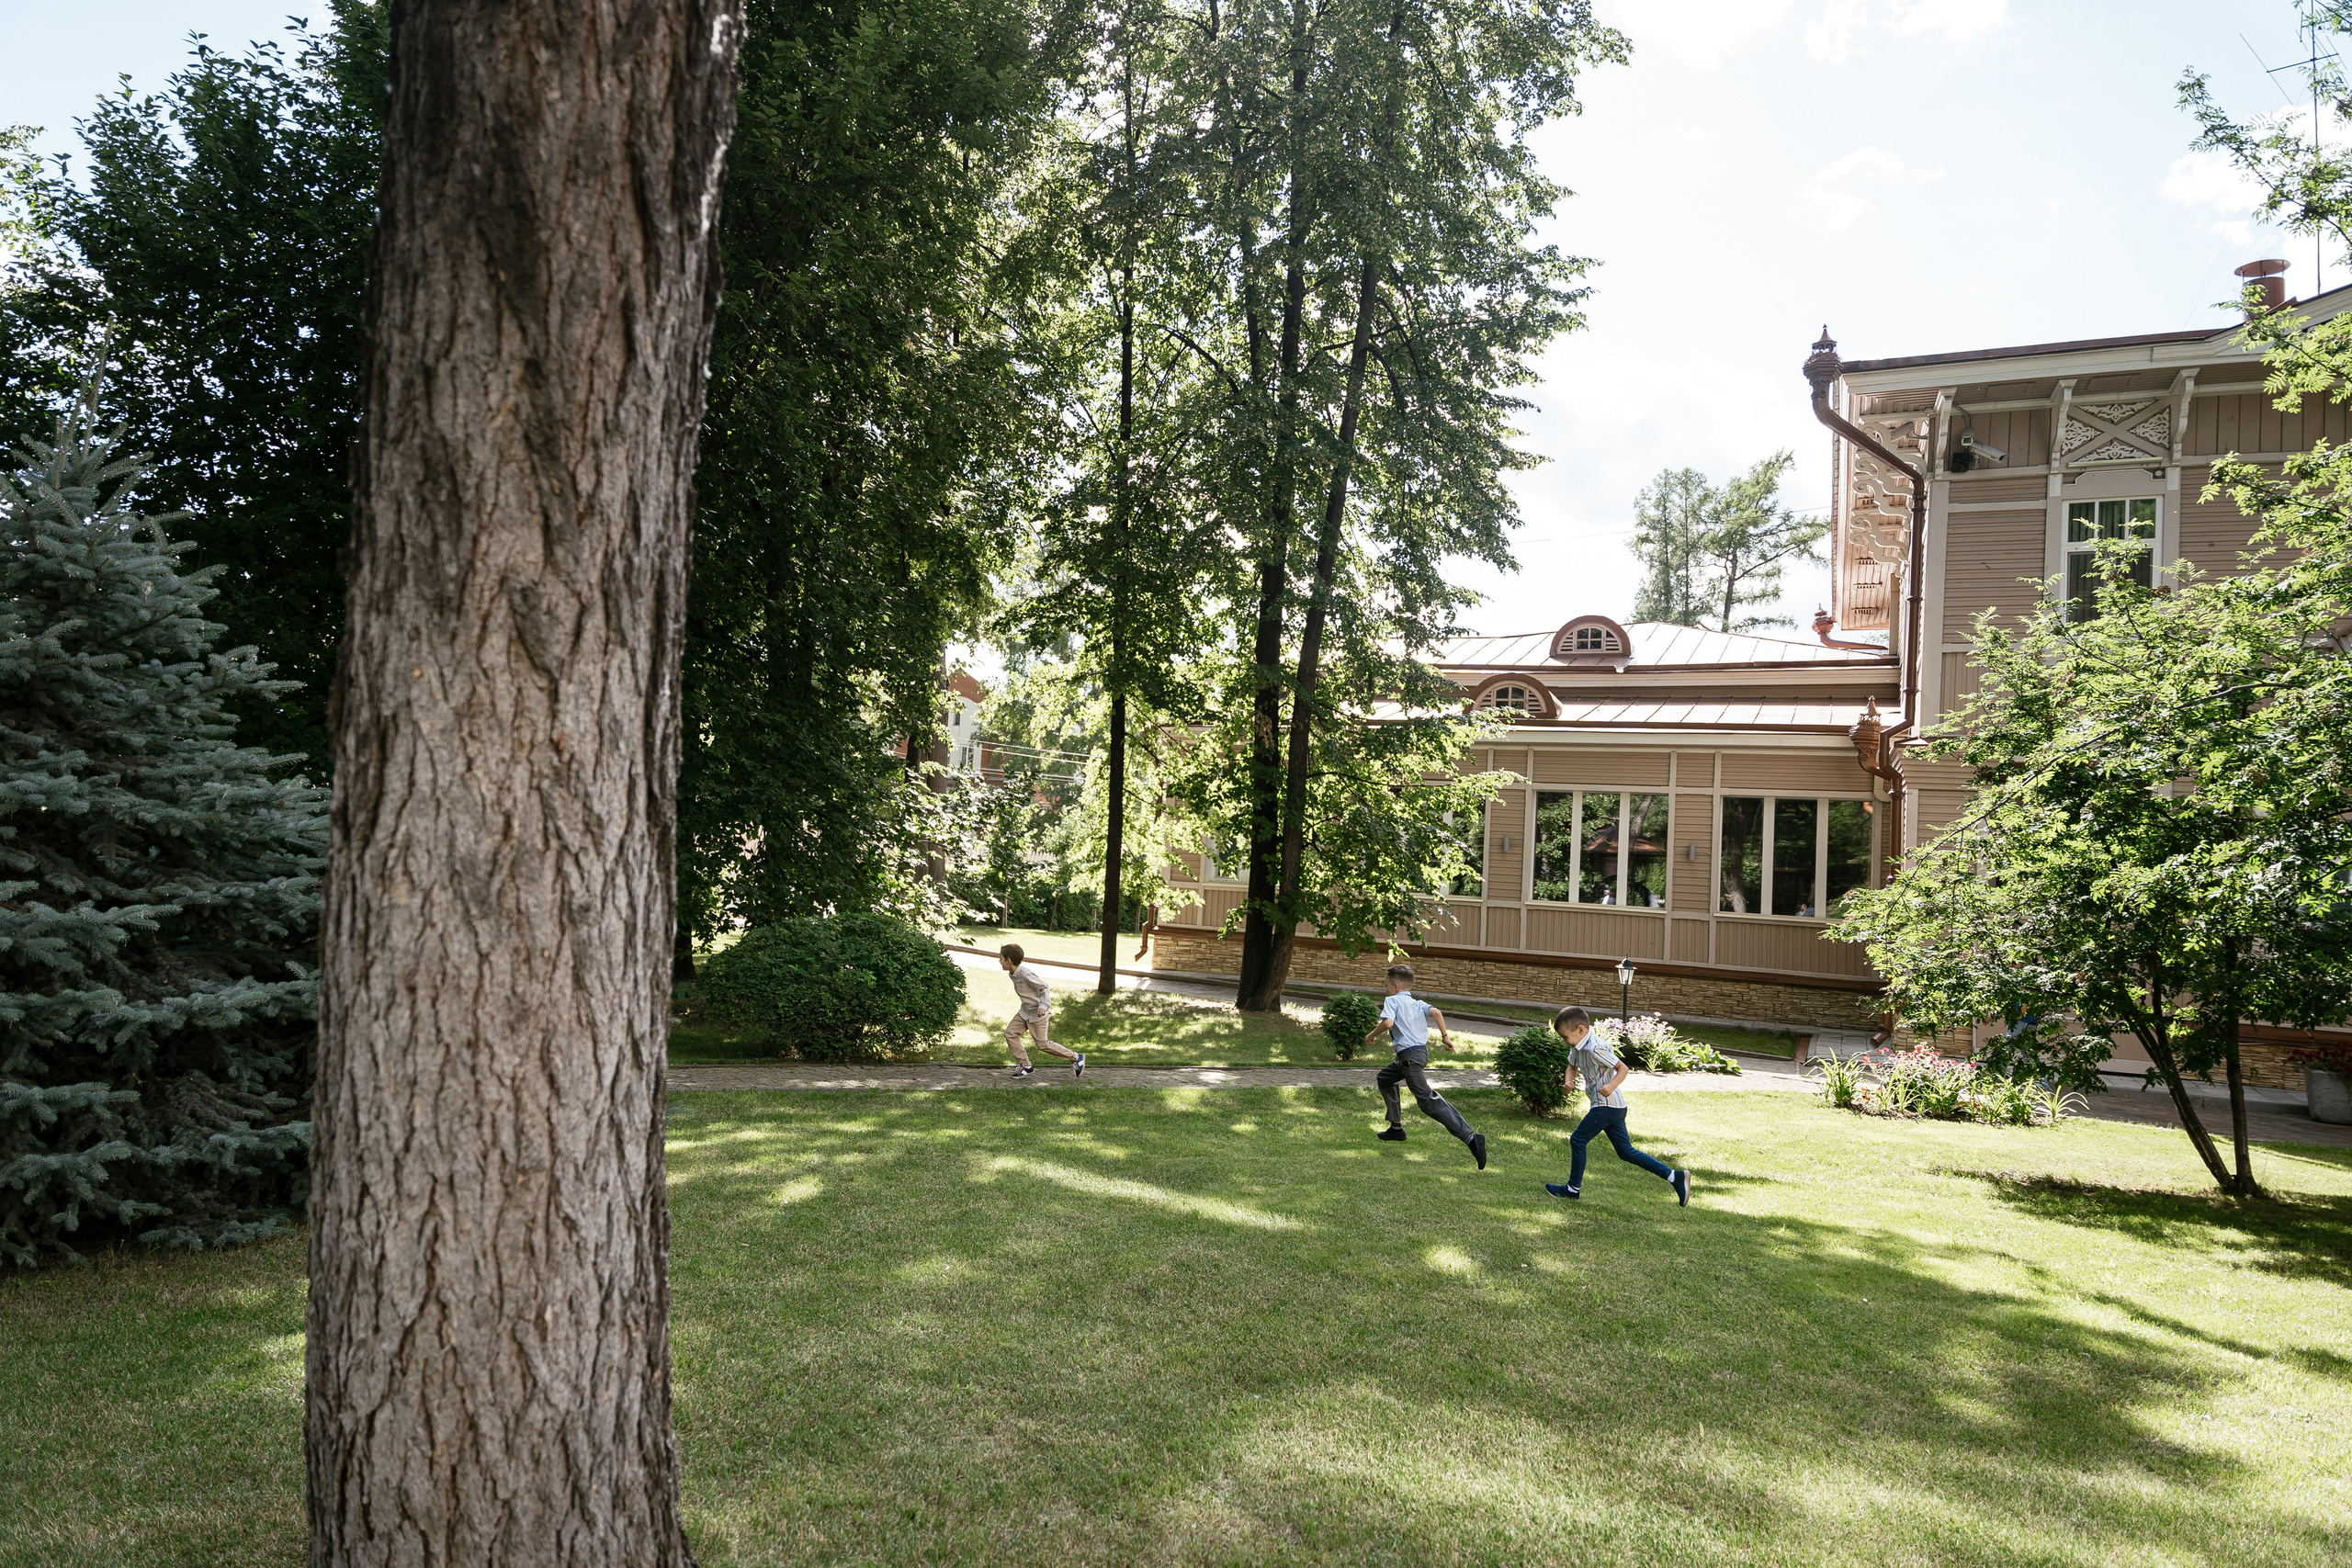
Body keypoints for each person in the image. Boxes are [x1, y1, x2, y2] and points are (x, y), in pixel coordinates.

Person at [1544, 1006, 1689, 1205]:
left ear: (1580, 1030)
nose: (1564, 1041)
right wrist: (1569, 1081)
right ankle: (1674, 1176)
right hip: (1613, 1107)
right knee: (1625, 1151)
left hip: (1607, 1105)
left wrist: (1611, 1086)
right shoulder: (1577, 1047)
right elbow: (1572, 1066)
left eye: (1565, 1036)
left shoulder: (1596, 1047)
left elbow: (1623, 1068)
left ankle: (1572, 1189)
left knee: (1578, 1139)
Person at [1363, 964, 1487, 1169]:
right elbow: (1436, 1013)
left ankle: (1471, 1139)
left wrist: (1370, 1035)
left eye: (1386, 985)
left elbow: (1387, 1024)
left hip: (1409, 1058)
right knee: (1384, 1078)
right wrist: (1445, 1038)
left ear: (1395, 986)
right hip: (1417, 1053)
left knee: (1427, 1101)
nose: (1385, 988)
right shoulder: (1417, 1003)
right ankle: (1396, 1127)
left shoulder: (1392, 1000)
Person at [999, 944, 1084, 1078]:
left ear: (1008, 961)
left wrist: (1043, 1005)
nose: (999, 961)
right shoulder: (1012, 973)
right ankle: (1026, 1066)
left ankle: (1076, 1057)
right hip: (1026, 1011)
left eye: (1001, 958)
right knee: (1010, 1033)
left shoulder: (1025, 974)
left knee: (1042, 1044)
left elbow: (1044, 988)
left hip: (1039, 1013)